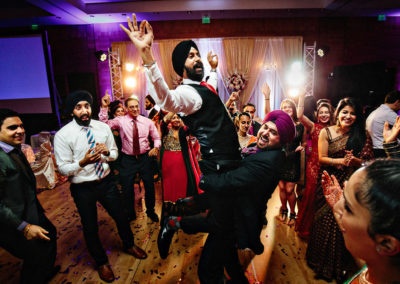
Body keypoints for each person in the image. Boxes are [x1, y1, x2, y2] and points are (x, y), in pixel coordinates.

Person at [159, 110, 296, 283]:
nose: (265, 133)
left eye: (273, 132)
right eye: (265, 128)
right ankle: (174, 221)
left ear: (282, 140)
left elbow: (232, 180)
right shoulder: (262, 151)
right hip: (232, 212)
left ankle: (173, 222)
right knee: (228, 259)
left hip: (235, 218)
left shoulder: (269, 161)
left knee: (208, 270)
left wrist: (204, 179)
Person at [54, 91, 147, 283]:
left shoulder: (102, 128)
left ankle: (129, 244)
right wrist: (82, 162)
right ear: (72, 111)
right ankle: (101, 262)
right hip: (82, 188)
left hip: (106, 182)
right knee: (90, 226)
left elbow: (114, 154)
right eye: (78, 107)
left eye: (86, 106)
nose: (84, 110)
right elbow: (63, 169)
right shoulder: (63, 135)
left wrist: (107, 153)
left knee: (121, 216)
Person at [306, 97, 374, 282]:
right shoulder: (326, 132)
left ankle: (341, 266)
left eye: (352, 113)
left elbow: (369, 162)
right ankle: (320, 262)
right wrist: (341, 161)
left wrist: (355, 162)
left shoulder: (361, 135)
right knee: (325, 221)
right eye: (345, 112)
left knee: (344, 223)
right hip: (329, 181)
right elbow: (322, 158)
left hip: (350, 184)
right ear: (338, 113)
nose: (348, 116)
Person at [0, 108, 59, 284]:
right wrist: (24, 227)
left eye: (21, 126)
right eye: (12, 128)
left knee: (49, 236)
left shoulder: (15, 149)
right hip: (13, 221)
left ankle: (45, 273)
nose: (20, 130)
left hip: (30, 211)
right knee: (34, 256)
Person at [321, 158, 400, 284]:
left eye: (347, 207)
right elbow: (372, 259)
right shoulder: (379, 268)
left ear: (386, 243)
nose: (339, 205)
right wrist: (339, 213)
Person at [99, 94, 161, 223]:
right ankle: (130, 213)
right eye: (131, 107)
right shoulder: (120, 121)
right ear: (126, 108)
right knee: (127, 189)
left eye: (136, 106)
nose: (135, 109)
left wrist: (156, 147)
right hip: (128, 160)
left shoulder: (147, 121)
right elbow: (104, 125)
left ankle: (151, 211)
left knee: (149, 187)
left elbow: (156, 137)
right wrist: (104, 108)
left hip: (145, 158)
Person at [295, 91, 335, 240]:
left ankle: (322, 230)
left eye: (327, 112)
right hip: (314, 166)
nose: (324, 115)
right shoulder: (314, 127)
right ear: (317, 114)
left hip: (330, 165)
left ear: (331, 114)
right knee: (311, 197)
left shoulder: (335, 129)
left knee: (325, 198)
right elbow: (299, 116)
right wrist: (300, 96)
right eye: (321, 112)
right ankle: (307, 230)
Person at [277, 98, 306, 226]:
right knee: (282, 188)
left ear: (293, 110)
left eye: (289, 107)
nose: (286, 109)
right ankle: (284, 210)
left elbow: (304, 141)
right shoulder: (278, 123)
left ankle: (293, 214)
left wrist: (303, 146)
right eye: (283, 107)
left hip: (293, 159)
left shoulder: (301, 125)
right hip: (280, 158)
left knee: (289, 189)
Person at [160, 112, 201, 202]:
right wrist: (174, 108)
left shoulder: (184, 130)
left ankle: (181, 203)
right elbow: (164, 122)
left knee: (181, 181)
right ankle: (170, 203)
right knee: (169, 183)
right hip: (168, 160)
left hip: (181, 160)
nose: (176, 120)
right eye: (173, 118)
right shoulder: (166, 129)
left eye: (178, 118)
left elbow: (194, 127)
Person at [366, 90, 400, 158]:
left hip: (375, 149)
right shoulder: (388, 113)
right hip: (383, 151)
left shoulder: (378, 111)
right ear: (397, 102)